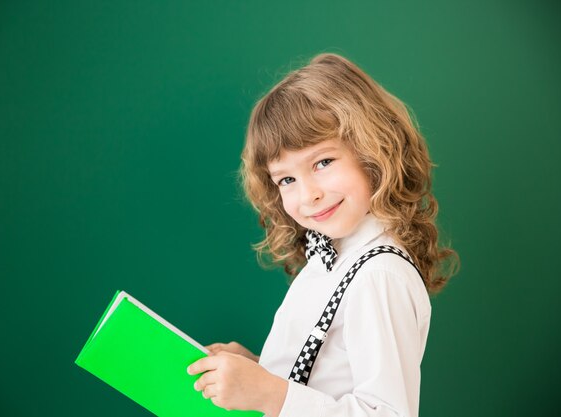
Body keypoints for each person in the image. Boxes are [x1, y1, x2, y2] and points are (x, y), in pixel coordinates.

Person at [186, 52, 459, 417]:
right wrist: (256, 371)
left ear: (372, 150)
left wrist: (271, 394)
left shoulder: (378, 275)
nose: (308, 194)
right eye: (287, 179)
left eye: (323, 162)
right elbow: (324, 381)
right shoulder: (330, 257)